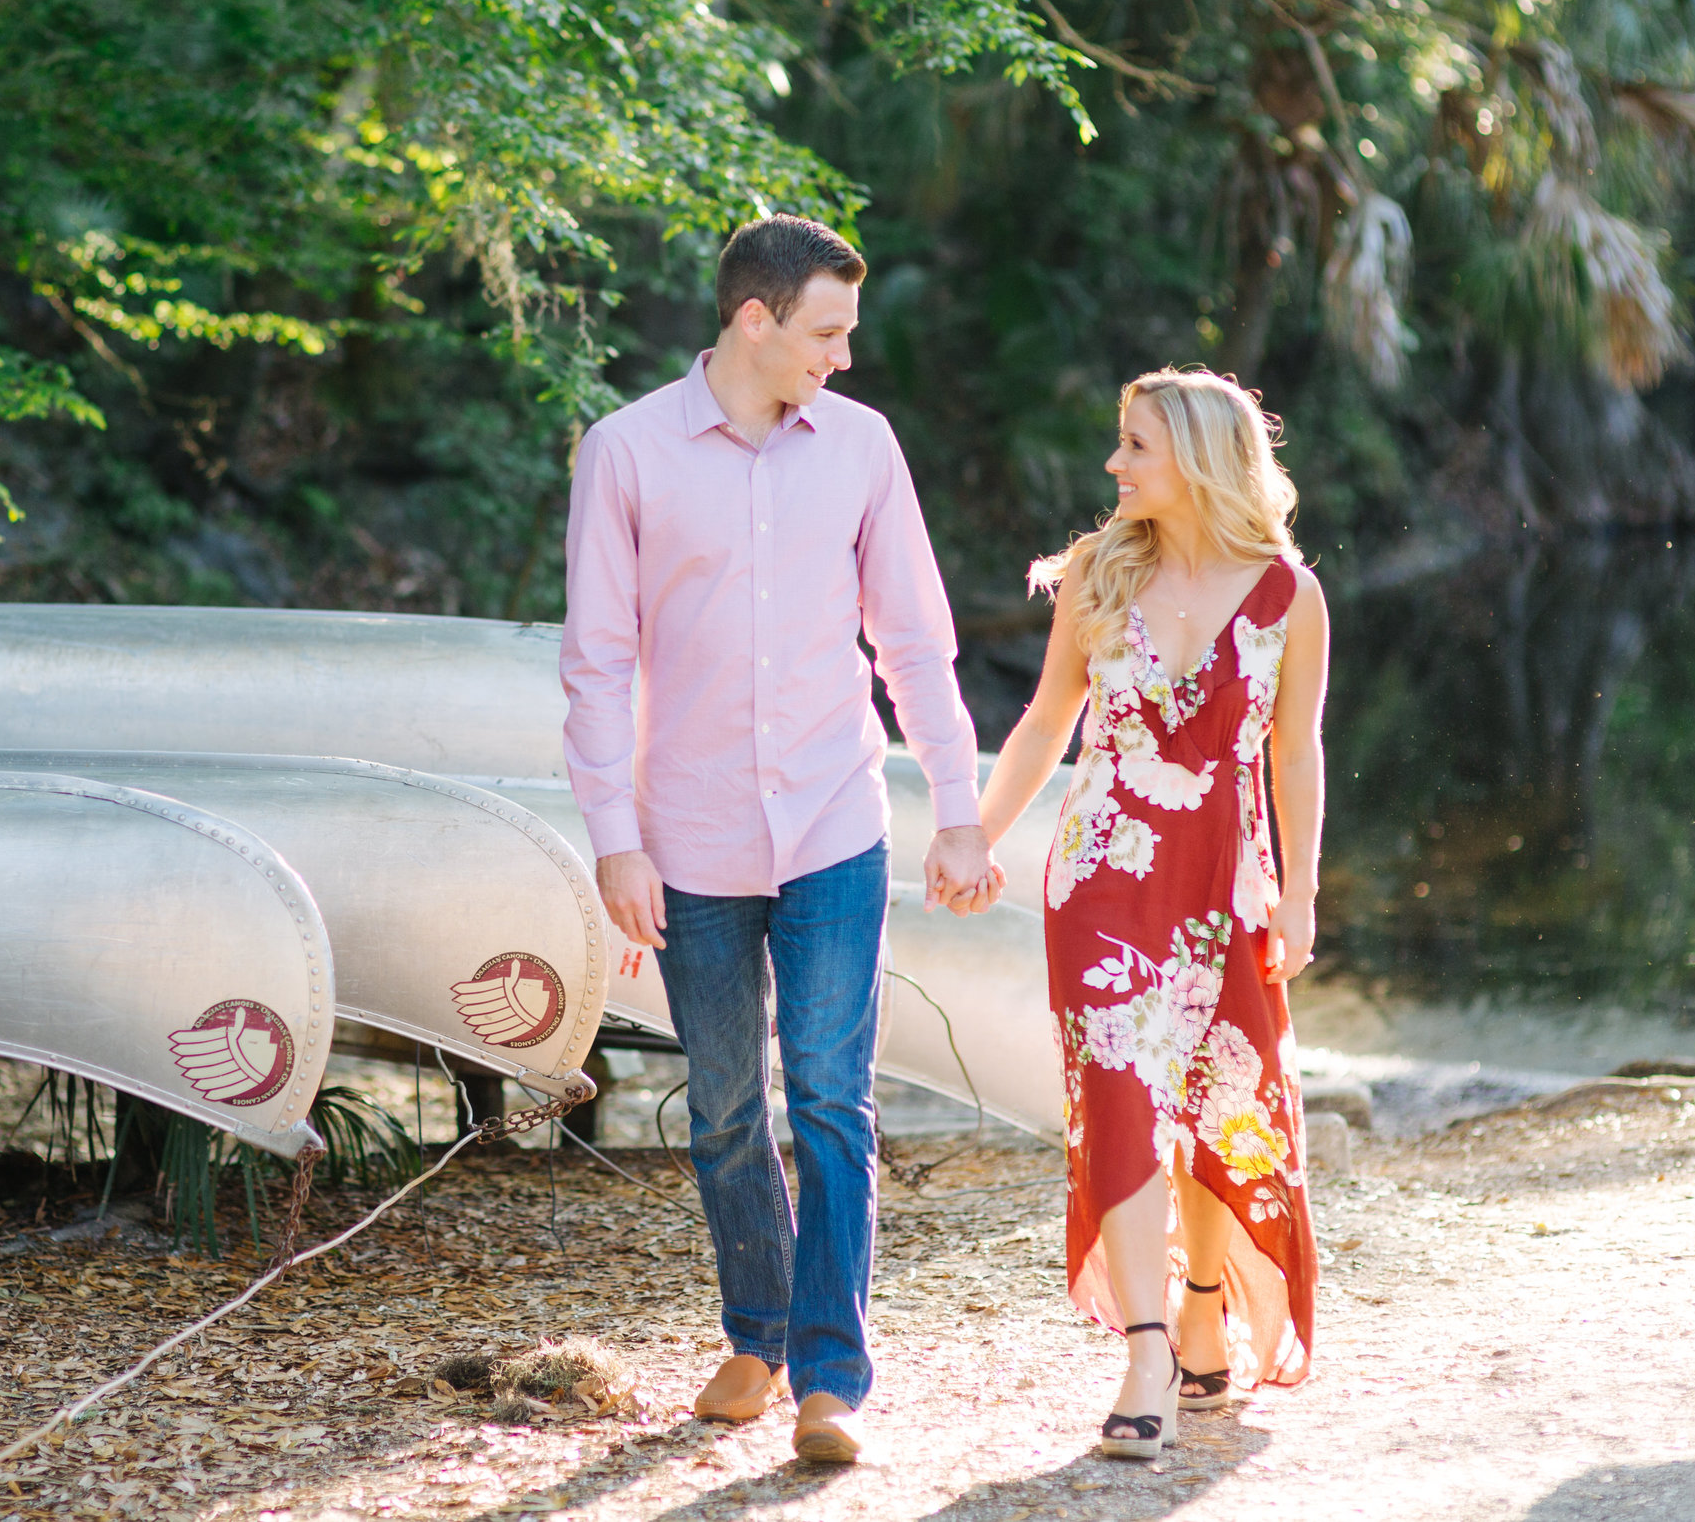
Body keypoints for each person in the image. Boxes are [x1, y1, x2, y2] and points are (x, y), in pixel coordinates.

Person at [560, 214, 1002, 1465]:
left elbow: (913, 642)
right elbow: (594, 661)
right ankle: (752, 1334)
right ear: (752, 319)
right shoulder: (628, 451)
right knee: (720, 1102)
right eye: (825, 331)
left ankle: (830, 1374)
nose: (843, 357)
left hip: (829, 821)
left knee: (828, 1098)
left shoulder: (860, 448)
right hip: (687, 836)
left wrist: (959, 810)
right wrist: (614, 838)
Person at [973, 368, 1326, 1458]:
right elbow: (1043, 725)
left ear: (1201, 459)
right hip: (1103, 871)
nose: (1115, 464)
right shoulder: (1097, 570)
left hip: (1226, 876)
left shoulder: (1286, 592)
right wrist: (970, 838)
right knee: (1122, 1094)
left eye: (1135, 446)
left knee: (1220, 1091)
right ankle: (1141, 1351)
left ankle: (1202, 1296)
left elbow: (1294, 750)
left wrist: (1301, 890)